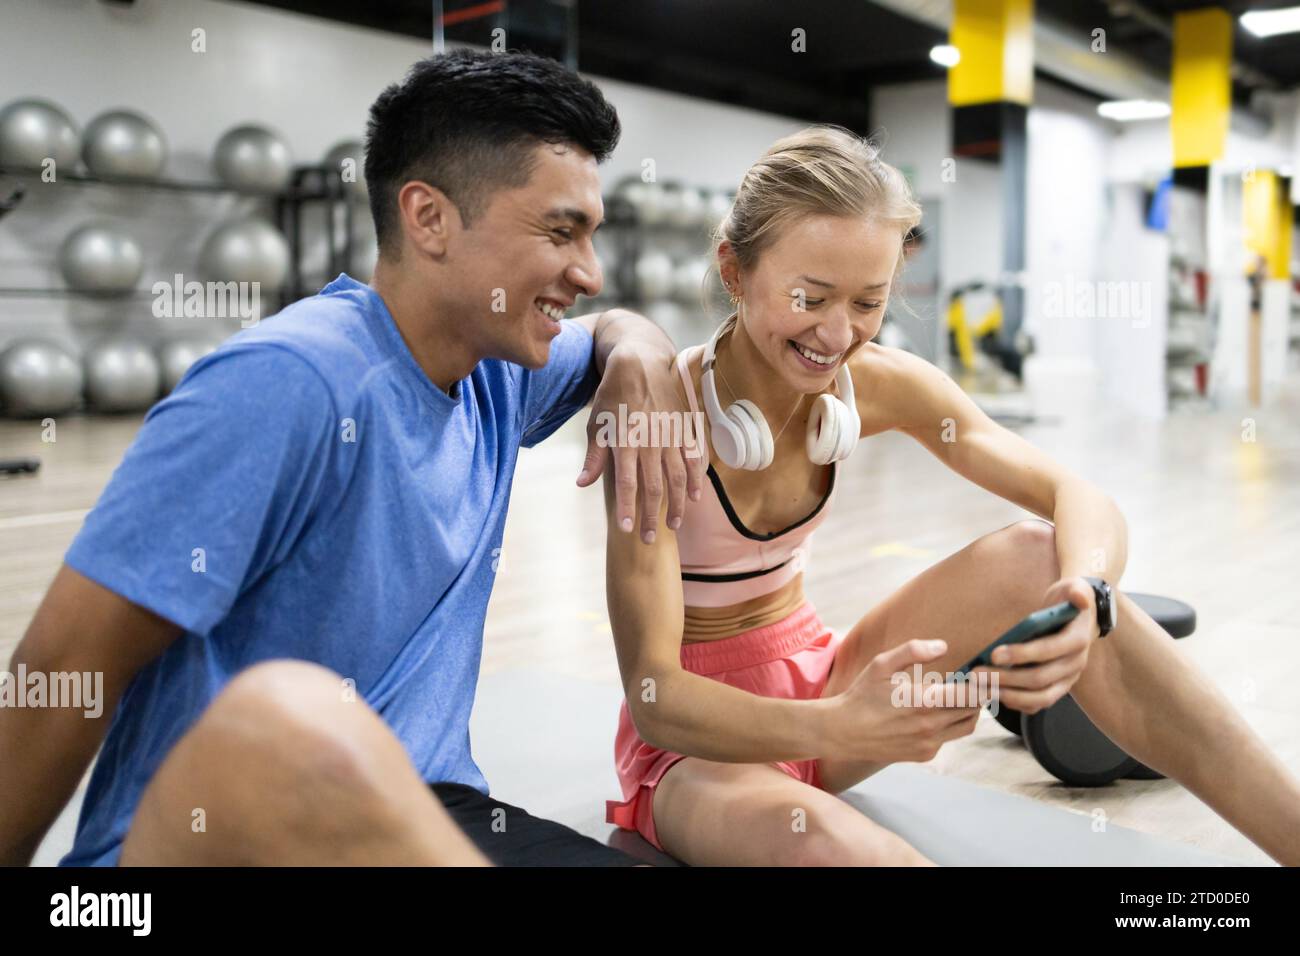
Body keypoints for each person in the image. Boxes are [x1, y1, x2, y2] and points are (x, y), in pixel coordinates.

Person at [0, 49, 701, 868]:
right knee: (291, 711)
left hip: (429, 804)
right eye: (560, 231)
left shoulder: (504, 368)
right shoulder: (287, 382)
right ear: (429, 218)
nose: (587, 271)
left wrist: (642, 350)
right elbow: (64, 665)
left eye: (591, 234)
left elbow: (616, 325)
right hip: (240, 835)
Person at [602, 125, 1300, 866]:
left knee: (1043, 556)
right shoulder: (660, 419)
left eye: (869, 302)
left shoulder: (878, 385)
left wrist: (1090, 596)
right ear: (734, 272)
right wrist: (842, 725)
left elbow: (1075, 495)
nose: (838, 333)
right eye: (810, 296)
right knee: (861, 856)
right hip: (701, 749)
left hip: (827, 680)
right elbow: (656, 698)